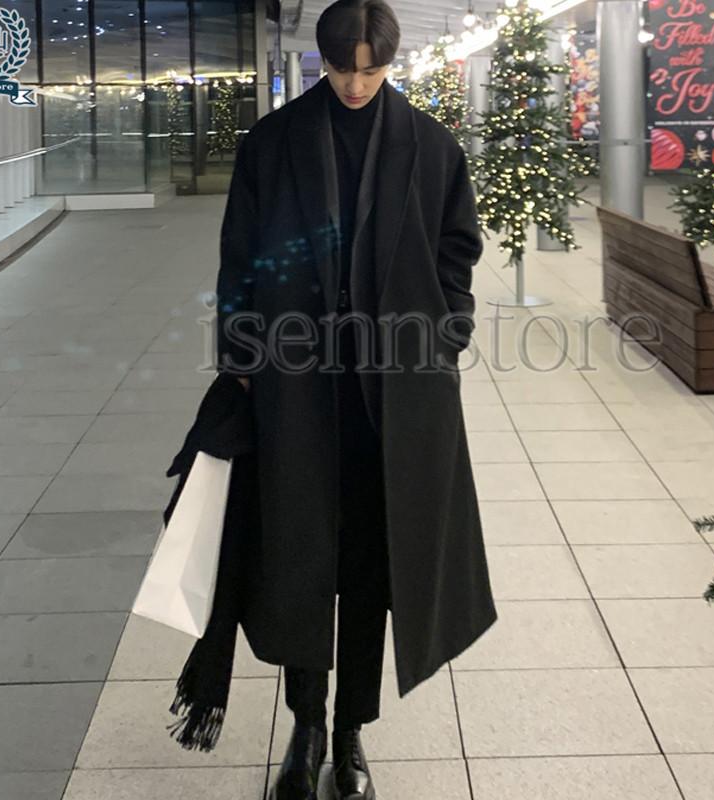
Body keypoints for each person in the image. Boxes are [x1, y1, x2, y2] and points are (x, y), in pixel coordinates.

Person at [215, 1, 498, 798]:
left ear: (390, 63)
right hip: (299, 385)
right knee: (301, 553)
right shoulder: (274, 142)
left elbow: (458, 247)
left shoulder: (431, 146)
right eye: (344, 67)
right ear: (323, 59)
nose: (356, 83)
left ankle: (349, 735)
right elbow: (238, 252)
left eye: (372, 69)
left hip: (396, 394)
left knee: (376, 562)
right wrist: (241, 353)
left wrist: (447, 332)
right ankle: (305, 727)